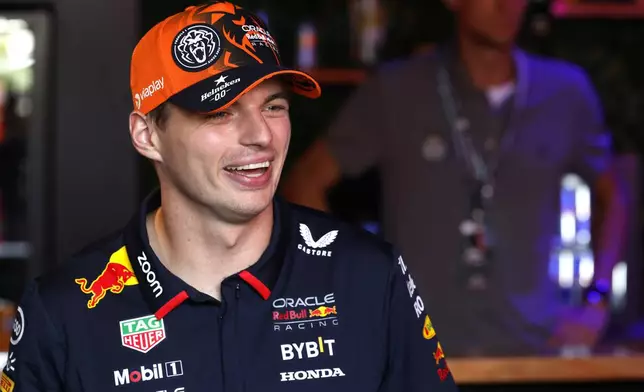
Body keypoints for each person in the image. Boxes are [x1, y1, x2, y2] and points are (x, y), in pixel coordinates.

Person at [0, 2, 459, 391]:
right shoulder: (64, 311)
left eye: (273, 106)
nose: (260, 134)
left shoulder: (369, 276)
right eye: (221, 112)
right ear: (147, 135)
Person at [282, 0, 627, 357]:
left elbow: (613, 196)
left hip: (532, 352)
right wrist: (347, 289)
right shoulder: (398, 89)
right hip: (417, 351)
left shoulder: (564, 93)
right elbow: (304, 183)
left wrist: (596, 302)